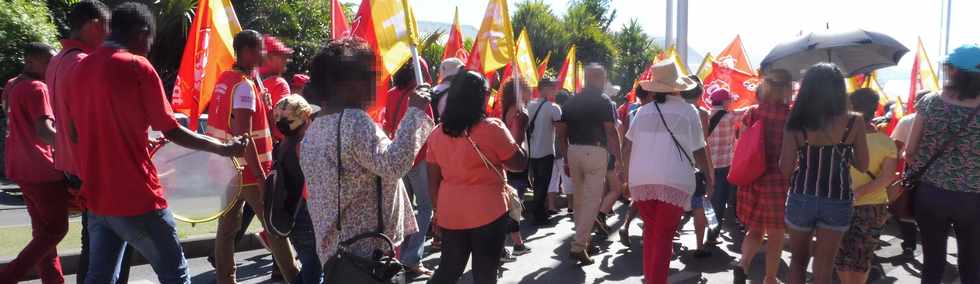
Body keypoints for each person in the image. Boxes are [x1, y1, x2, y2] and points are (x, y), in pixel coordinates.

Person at [69, 3, 245, 283]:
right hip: (137, 197)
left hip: (97, 199)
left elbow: (75, 132)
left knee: (100, 278)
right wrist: (223, 148)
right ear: (141, 33)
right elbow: (172, 130)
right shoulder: (137, 66)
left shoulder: (81, 67)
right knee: (175, 274)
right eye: (150, 38)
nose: (150, 45)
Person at [300, 37, 430, 270]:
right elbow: (393, 165)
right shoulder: (354, 121)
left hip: (335, 249)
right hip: (364, 251)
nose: (376, 82)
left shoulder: (315, 126)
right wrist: (415, 113)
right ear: (345, 84)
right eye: (368, 75)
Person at [43, 2, 136, 282]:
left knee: (95, 243)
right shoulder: (85, 64)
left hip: (75, 168)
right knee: (118, 242)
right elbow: (94, 122)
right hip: (98, 168)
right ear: (95, 24)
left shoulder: (57, 60)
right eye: (108, 27)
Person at [208, 30, 299, 284]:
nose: (264, 55)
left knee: (226, 231)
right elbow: (243, 135)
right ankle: (294, 278)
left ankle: (225, 280)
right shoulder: (244, 87)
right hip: (248, 172)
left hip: (226, 170)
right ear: (247, 52)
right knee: (274, 228)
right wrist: (261, 177)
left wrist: (264, 105)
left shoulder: (226, 79)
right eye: (260, 50)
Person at [426, 70, 527, 284]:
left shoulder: (437, 133)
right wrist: (520, 129)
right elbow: (518, 164)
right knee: (485, 273)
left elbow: (433, 179)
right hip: (489, 211)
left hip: (451, 212)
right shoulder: (492, 128)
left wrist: (438, 212)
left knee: (448, 270)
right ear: (481, 97)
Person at [623, 61, 713, 284]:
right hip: (674, 180)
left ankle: (651, 279)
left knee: (652, 234)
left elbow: (627, 147)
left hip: (641, 181)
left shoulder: (642, 112)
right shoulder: (688, 111)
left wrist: (626, 178)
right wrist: (710, 178)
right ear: (676, 86)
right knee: (663, 236)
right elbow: (699, 149)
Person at [780, 63, 869, 284]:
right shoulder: (854, 121)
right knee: (824, 266)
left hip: (802, 196)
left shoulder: (796, 123)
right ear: (839, 88)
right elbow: (863, 165)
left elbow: (785, 169)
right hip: (838, 198)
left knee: (798, 262)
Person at [902, 44, 980, 284]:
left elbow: (909, 151)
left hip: (931, 194)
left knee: (933, 262)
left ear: (954, 71)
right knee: (972, 264)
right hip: (974, 199)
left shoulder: (930, 102)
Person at [0, 43, 65, 284]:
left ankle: (54, 281)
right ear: (31, 61)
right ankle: (8, 276)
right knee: (57, 230)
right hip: (42, 169)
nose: (53, 65)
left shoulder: (12, 84)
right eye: (49, 61)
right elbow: (44, 130)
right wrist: (74, 146)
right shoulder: (38, 88)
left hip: (18, 166)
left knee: (44, 233)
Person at [556, 63, 624, 265]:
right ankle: (579, 246)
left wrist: (567, 156)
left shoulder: (571, 101)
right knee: (592, 201)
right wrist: (619, 158)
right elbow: (611, 132)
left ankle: (585, 241)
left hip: (574, 150)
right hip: (595, 151)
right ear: (595, 78)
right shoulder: (603, 100)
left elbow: (561, 133)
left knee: (579, 201)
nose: (604, 82)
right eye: (603, 77)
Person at [733, 69, 794, 284]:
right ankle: (770, 277)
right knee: (776, 233)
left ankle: (743, 264)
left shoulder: (752, 113)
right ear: (787, 89)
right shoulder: (791, 117)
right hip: (776, 181)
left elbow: (742, 144)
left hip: (752, 177)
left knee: (755, 230)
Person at [835, 88, 897, 284]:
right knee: (863, 257)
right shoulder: (886, 142)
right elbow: (888, 177)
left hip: (837, 204)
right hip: (873, 208)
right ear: (874, 111)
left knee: (840, 254)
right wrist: (861, 193)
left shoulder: (836, 140)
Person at [383, 61, 436, 277]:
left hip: (398, 157)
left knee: (402, 210)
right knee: (425, 209)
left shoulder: (391, 93)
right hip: (419, 158)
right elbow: (428, 128)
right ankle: (412, 258)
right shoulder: (421, 97)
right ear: (420, 72)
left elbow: (387, 123)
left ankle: (399, 255)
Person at [702, 86, 749, 245]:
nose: (732, 103)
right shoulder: (729, 117)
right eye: (730, 100)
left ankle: (702, 233)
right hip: (723, 167)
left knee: (704, 200)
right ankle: (712, 234)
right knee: (719, 201)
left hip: (704, 165)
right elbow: (747, 111)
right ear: (724, 102)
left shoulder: (704, 116)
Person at [888, 91, 928, 258]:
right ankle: (931, 248)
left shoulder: (908, 120)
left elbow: (895, 148)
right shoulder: (942, 119)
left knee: (905, 209)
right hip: (937, 176)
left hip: (911, 171)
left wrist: (893, 173)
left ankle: (909, 246)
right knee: (930, 213)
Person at [526, 77, 562, 226]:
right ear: (545, 89)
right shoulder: (553, 107)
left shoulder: (529, 105)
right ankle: (538, 213)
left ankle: (539, 212)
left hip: (531, 151)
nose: (556, 91)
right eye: (553, 88)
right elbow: (560, 128)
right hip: (546, 151)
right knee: (543, 183)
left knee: (537, 183)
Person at [261, 35, 294, 142]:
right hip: (274, 145)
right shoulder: (279, 84)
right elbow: (284, 122)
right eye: (282, 56)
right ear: (268, 58)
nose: (287, 60)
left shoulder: (250, 82)